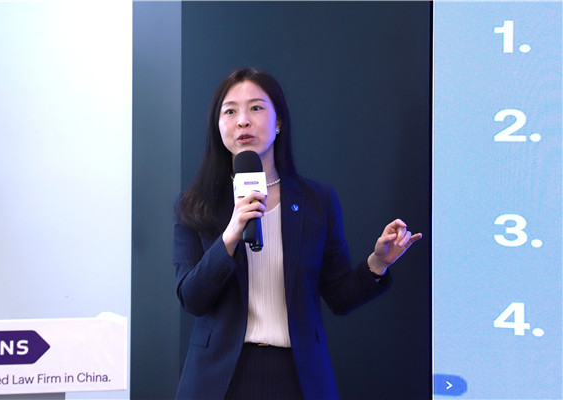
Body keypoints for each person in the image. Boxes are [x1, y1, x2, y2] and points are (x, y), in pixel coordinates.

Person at [174, 67, 422, 400]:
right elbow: (192, 298)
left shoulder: (317, 200)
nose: (243, 121)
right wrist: (231, 234)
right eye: (230, 111)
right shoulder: (195, 204)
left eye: (256, 108)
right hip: (219, 377)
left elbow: (339, 297)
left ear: (278, 122)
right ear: (218, 126)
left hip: (298, 376)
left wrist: (378, 263)